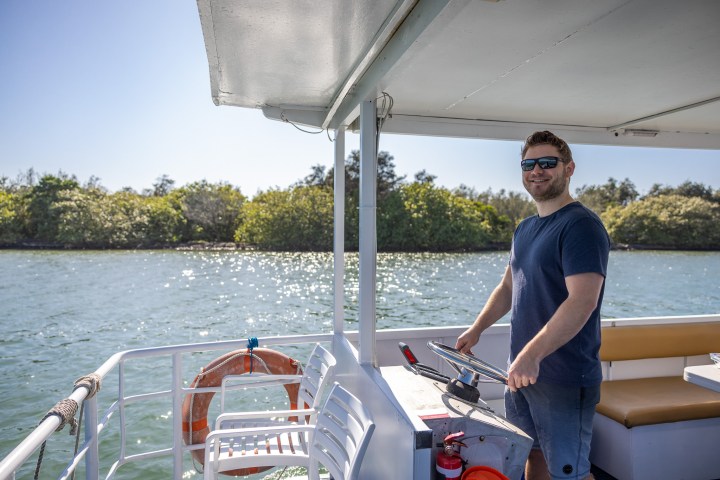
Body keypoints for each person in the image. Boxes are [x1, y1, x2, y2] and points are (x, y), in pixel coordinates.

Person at [456, 130, 610, 480]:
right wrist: (477, 329)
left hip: (564, 376)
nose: (536, 170)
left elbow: (583, 300)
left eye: (547, 163)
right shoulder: (525, 228)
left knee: (570, 473)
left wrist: (532, 354)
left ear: (568, 169)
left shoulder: (581, 225)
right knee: (531, 454)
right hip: (521, 372)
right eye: (529, 164)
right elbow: (509, 287)